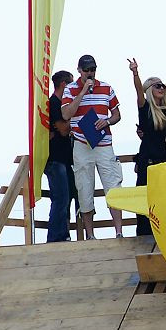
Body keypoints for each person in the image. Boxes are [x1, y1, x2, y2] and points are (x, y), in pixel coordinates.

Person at [61, 54, 124, 240]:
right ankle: (90, 235)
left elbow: (117, 114)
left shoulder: (106, 87)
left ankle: (119, 231)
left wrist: (107, 121)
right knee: (84, 188)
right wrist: (82, 93)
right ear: (79, 70)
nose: (90, 74)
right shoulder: (70, 90)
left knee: (113, 186)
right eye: (87, 70)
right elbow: (66, 114)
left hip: (103, 144)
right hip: (81, 144)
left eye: (93, 70)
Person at [127, 58, 166, 235]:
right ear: (149, 90)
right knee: (144, 198)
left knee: (163, 199)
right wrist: (135, 73)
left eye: (162, 85)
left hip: (162, 160)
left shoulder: (165, 110)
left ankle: (162, 232)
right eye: (156, 86)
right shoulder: (145, 107)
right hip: (147, 161)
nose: (161, 88)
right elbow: (138, 91)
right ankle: (144, 233)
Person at [45, 70, 75, 242]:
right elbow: (64, 130)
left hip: (62, 158)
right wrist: (73, 123)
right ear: (64, 84)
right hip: (55, 158)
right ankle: (56, 236)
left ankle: (62, 233)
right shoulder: (55, 103)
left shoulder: (57, 103)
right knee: (60, 198)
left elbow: (62, 128)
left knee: (67, 195)